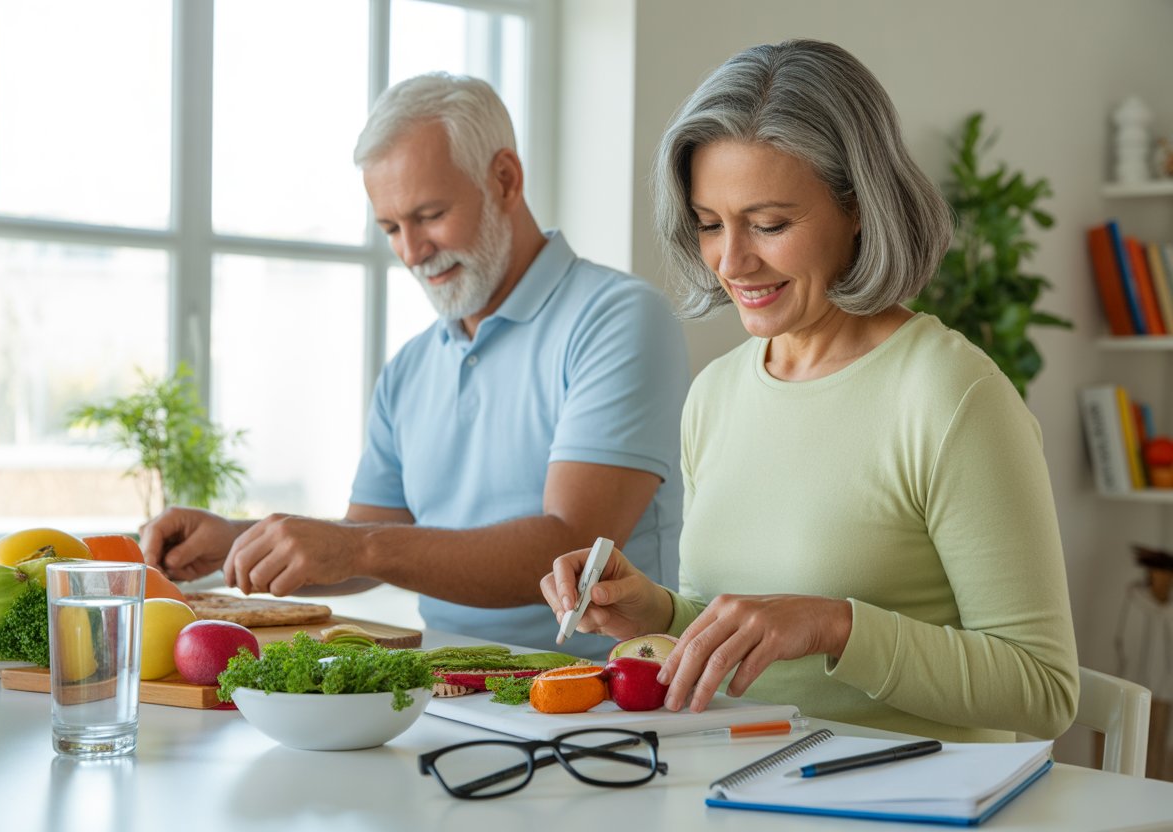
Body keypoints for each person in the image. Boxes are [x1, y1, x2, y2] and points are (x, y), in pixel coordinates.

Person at [541, 39, 1079, 741]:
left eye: (769, 224)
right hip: (737, 784)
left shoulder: (951, 396)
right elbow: (745, 630)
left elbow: (1043, 690)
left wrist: (836, 625)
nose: (731, 261)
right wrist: (662, 615)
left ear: (859, 207)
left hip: (913, 805)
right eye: (709, 224)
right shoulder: (718, 393)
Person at [141, 73, 690, 661]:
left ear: (505, 179)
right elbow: (362, 540)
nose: (410, 250)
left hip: (600, 700)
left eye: (428, 215)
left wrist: (360, 549)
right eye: (390, 228)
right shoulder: (411, 366)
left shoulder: (619, 319)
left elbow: (573, 544)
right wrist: (239, 540)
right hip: (446, 686)